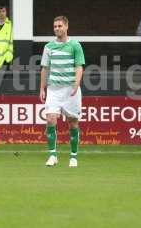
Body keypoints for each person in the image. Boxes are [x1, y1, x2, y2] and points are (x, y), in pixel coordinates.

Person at [39, 16, 85, 168]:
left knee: (73, 122)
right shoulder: (48, 47)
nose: (57, 28)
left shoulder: (75, 45)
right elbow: (45, 68)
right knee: (50, 119)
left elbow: (79, 66)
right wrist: (42, 88)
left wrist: (76, 84)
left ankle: (73, 156)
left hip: (70, 89)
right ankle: (52, 155)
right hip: (54, 90)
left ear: (66, 27)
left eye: (59, 26)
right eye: (55, 26)